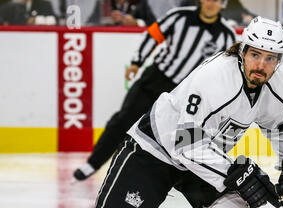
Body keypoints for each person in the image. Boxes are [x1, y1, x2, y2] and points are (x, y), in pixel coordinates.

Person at [30, 16, 283, 208]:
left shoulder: (279, 83)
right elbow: (186, 143)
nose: (261, 65)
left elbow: (281, 125)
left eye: (270, 58)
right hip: (156, 148)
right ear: (242, 51)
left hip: (203, 157)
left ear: (279, 60)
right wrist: (234, 172)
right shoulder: (214, 78)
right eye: (255, 54)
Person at [73, 0, 236, 182]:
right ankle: (93, 163)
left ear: (223, 4)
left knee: (164, 138)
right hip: (155, 79)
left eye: (217, 0)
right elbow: (152, 35)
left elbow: (223, 70)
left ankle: (148, 182)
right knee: (123, 120)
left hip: (182, 94)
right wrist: (137, 62)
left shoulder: (226, 35)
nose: (211, 3)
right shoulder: (179, 16)